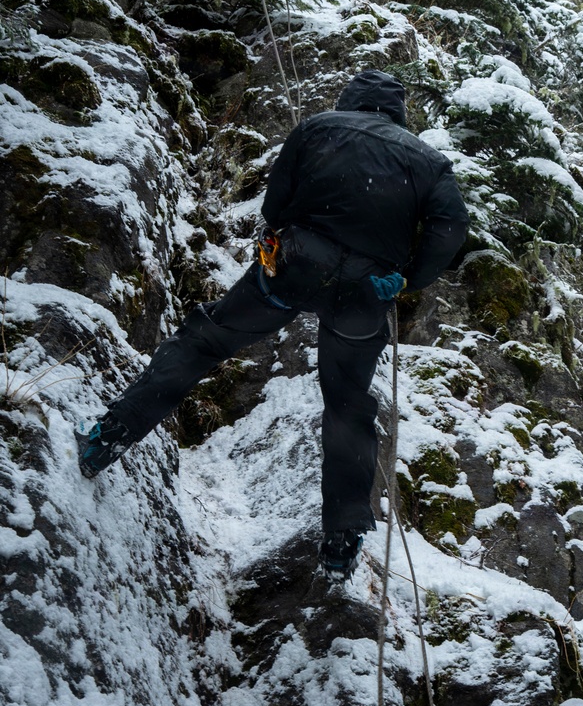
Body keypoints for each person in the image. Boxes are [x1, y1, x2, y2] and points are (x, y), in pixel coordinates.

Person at [76, 69, 469, 578]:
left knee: (206, 339)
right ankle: (341, 540)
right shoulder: (429, 161)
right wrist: (409, 277)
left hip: (297, 263)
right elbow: (450, 229)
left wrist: (286, 229)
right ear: (397, 112)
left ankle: (113, 433)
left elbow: (276, 199)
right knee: (348, 406)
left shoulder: (318, 127)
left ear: (350, 99)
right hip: (366, 289)